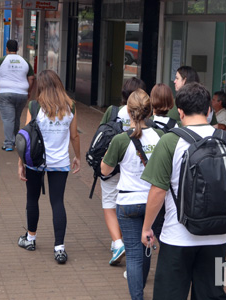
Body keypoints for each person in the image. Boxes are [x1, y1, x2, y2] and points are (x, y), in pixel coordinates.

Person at [140, 82, 226, 299]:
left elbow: (158, 191)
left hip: (178, 236)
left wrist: (147, 227)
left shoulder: (171, 141)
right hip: (216, 238)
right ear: (208, 111)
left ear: (179, 111)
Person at [101, 89, 162, 300]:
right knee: (147, 248)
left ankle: (137, 297)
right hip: (154, 201)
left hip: (127, 202)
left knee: (134, 256)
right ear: (150, 111)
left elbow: (105, 170)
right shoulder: (161, 137)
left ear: (128, 111)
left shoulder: (120, 139)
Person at [16, 70, 81, 265]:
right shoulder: (71, 107)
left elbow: (26, 137)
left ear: (41, 87)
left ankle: (30, 238)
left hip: (36, 162)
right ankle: (59, 248)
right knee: (57, 202)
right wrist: (77, 156)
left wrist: (21, 162)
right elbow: (75, 135)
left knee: (32, 199)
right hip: (60, 163)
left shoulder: (35, 106)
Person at [98, 77, 146, 267]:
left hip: (112, 164)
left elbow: (100, 132)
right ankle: (121, 240)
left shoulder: (113, 111)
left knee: (110, 203)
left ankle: (118, 243)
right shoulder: (145, 115)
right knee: (126, 201)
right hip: (135, 166)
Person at [0, 40, 35, 151]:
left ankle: (8, 143)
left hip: (5, 93)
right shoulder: (24, 61)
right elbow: (31, 78)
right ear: (17, 49)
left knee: (8, 119)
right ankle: (15, 140)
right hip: (21, 94)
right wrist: (28, 90)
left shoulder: (1, 60)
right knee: (16, 118)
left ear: (6, 49)